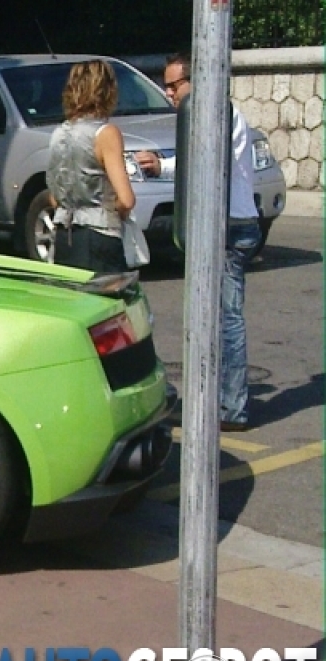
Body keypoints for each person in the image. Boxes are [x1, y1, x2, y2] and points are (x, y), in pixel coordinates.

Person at [134, 52, 258, 432]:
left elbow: (209, 162)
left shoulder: (220, 114)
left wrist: (165, 166)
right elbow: (198, 160)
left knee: (227, 318)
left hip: (229, 225)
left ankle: (232, 408)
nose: (170, 94)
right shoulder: (209, 114)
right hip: (226, 223)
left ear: (195, 81)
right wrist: (165, 166)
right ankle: (218, 400)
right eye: (167, 87)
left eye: (175, 85)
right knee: (216, 316)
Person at [45, 59, 136, 273]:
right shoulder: (106, 134)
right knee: (111, 302)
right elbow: (126, 199)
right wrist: (117, 212)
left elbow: (53, 197)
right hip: (99, 234)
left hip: (64, 235)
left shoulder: (58, 134)